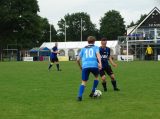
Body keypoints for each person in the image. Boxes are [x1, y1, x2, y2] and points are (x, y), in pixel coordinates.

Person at [77, 36, 102, 101]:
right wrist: (100, 63)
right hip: (94, 65)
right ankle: (93, 90)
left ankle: (79, 96)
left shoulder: (83, 49)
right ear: (94, 41)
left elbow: (77, 60)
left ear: (87, 41)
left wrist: (80, 67)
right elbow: (98, 55)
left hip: (85, 66)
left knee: (83, 82)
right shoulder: (96, 47)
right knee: (96, 77)